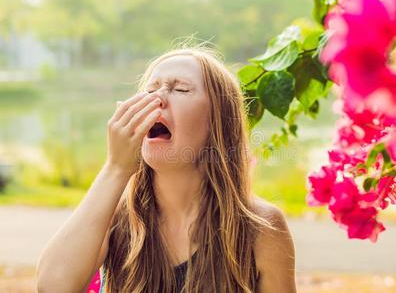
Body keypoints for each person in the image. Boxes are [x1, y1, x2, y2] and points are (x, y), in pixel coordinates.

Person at [36, 44, 296, 293]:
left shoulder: (260, 227)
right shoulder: (115, 216)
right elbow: (53, 287)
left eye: (181, 89)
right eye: (149, 90)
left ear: (219, 123)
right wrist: (116, 168)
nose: (156, 99)